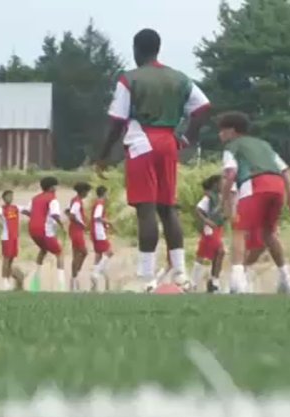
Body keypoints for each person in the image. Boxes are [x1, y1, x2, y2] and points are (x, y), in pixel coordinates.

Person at [96, 28, 212, 292]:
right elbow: (203, 107)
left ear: (137, 49)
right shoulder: (179, 77)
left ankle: (146, 277)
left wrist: (103, 155)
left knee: (145, 209)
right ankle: (180, 274)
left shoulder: (130, 79)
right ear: (158, 49)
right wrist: (188, 138)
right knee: (167, 207)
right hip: (169, 142)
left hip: (141, 141)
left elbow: (117, 121)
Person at [216, 112, 290, 294]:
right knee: (269, 233)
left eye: (221, 131)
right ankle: (286, 280)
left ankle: (238, 282)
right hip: (277, 186)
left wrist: (223, 201)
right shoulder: (264, 145)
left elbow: (230, 174)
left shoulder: (232, 146)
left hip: (254, 184)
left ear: (231, 131)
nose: (219, 135)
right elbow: (285, 170)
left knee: (239, 230)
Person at [27, 176, 67, 291]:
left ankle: (35, 283)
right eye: (56, 186)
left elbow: (27, 211)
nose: (57, 188)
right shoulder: (52, 199)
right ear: (51, 187)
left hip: (32, 229)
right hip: (44, 230)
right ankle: (61, 286)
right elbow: (55, 214)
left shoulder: (35, 198)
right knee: (59, 253)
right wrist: (62, 225)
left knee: (43, 250)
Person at [192, 175, 226, 293]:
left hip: (218, 229)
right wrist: (206, 221)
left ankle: (210, 282)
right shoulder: (209, 197)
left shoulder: (220, 197)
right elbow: (198, 209)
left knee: (212, 254)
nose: (223, 185)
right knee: (217, 252)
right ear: (215, 184)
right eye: (221, 183)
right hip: (210, 229)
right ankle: (203, 282)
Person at [0, 190, 26, 291]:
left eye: (12, 196)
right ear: (4, 198)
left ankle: (12, 279)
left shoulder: (15, 208)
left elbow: (28, 210)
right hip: (6, 236)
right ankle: (4, 282)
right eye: (8, 196)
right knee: (6, 259)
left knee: (11, 259)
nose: (10, 198)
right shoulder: (1, 209)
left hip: (15, 237)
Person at [67, 183, 92, 291]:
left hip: (75, 229)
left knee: (76, 253)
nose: (87, 194)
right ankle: (75, 273)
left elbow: (68, 211)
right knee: (83, 252)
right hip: (76, 229)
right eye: (87, 191)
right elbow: (72, 214)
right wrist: (82, 223)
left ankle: (74, 277)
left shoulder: (75, 200)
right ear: (83, 191)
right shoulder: (77, 201)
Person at [89, 186, 114, 291]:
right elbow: (97, 217)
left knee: (98, 255)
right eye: (107, 193)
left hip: (95, 231)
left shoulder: (97, 203)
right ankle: (96, 273)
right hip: (99, 232)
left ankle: (95, 284)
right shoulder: (100, 203)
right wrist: (108, 222)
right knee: (109, 252)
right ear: (104, 193)